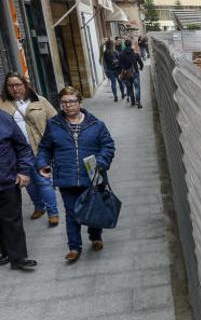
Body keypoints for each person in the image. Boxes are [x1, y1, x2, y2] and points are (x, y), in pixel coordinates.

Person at [37, 86, 115, 262]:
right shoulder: (54, 125)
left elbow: (108, 146)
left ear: (79, 102)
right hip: (67, 178)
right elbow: (44, 148)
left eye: (72, 101)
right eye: (64, 102)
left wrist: (100, 162)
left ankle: (95, 236)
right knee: (72, 213)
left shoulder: (96, 125)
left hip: (92, 177)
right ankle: (74, 247)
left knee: (93, 208)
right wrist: (42, 164)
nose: (68, 105)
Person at [0, 73, 60, 227]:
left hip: (40, 148)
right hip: (18, 153)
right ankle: (39, 206)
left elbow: (55, 120)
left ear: (25, 85)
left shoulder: (40, 101)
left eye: (18, 84)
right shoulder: (3, 105)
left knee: (44, 181)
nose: (14, 89)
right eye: (10, 86)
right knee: (27, 183)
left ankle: (53, 212)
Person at [0, 109, 37, 270]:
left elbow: (23, 147)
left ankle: (18, 257)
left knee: (12, 219)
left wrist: (23, 171)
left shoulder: (4, 119)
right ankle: (4, 252)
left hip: (7, 179)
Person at [118, 39, 144, 109]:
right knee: (137, 87)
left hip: (126, 74)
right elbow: (141, 63)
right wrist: (141, 67)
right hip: (135, 72)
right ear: (131, 44)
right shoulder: (135, 53)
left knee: (130, 87)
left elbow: (120, 65)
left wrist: (123, 71)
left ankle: (133, 101)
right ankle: (138, 101)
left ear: (125, 45)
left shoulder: (121, 54)